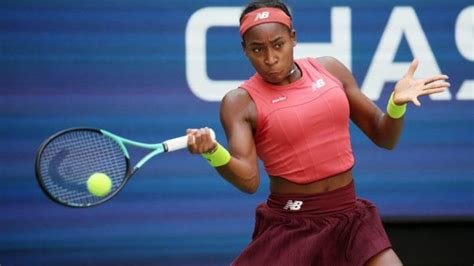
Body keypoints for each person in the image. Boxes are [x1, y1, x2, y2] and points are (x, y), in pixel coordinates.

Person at [186, 0, 450, 265]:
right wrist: (212, 151)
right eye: (258, 49)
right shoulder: (239, 102)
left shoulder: (330, 69)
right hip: (292, 224)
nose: (270, 58)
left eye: (278, 44)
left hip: (350, 218)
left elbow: (384, 137)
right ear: (245, 51)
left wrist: (395, 105)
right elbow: (249, 180)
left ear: (293, 38)